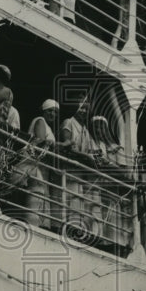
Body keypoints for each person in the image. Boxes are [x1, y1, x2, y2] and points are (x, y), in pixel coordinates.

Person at [60, 99, 99, 234]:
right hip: (69, 170)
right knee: (69, 203)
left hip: (80, 174)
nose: (83, 111)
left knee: (78, 207)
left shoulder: (86, 131)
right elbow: (68, 146)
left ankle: (75, 232)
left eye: (86, 109)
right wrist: (87, 156)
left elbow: (91, 151)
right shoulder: (68, 122)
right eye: (81, 108)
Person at [21, 99, 61, 229]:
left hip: (43, 166)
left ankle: (40, 225)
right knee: (37, 193)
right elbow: (41, 141)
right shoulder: (40, 121)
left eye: (55, 112)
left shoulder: (47, 125)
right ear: (43, 111)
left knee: (41, 194)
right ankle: (33, 224)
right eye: (50, 111)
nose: (52, 115)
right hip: (36, 164)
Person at [91, 115, 129, 246]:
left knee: (113, 222)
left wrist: (109, 166)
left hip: (113, 189)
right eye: (95, 127)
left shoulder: (116, 148)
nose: (98, 130)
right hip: (99, 187)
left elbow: (124, 172)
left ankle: (112, 244)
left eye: (101, 127)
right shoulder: (94, 144)